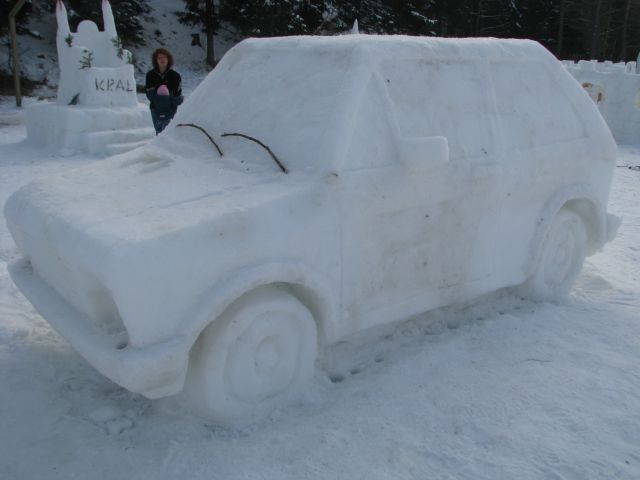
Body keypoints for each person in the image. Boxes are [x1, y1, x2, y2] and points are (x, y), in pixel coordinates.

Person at [145, 48, 183, 134]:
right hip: (155, 108)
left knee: (169, 133)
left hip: (171, 109)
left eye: (164, 57)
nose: (162, 60)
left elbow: (178, 95)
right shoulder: (150, 75)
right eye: (159, 58)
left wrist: (168, 99)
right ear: (156, 60)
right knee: (159, 133)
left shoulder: (175, 76)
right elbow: (149, 93)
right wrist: (159, 99)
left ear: (168, 59)